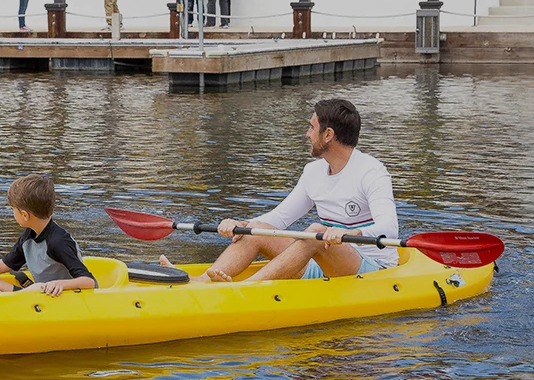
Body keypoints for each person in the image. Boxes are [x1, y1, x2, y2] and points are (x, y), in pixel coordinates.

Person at [161, 99, 399, 282]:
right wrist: (242, 223)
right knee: (255, 231)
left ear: (328, 135)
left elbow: (388, 227)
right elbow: (279, 218)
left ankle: (246, 288)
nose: (307, 134)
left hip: (372, 268)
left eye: (311, 128)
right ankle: (202, 281)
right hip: (324, 259)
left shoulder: (371, 171)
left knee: (316, 231)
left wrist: (349, 233)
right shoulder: (312, 172)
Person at [0, 174, 98, 296]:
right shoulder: (29, 236)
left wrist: (61, 284)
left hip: (67, 297)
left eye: (12, 209)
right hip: (40, 297)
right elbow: (6, 264)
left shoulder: (58, 241)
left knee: (37, 287)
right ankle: (1, 307)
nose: (12, 213)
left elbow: (89, 281)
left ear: (24, 215)